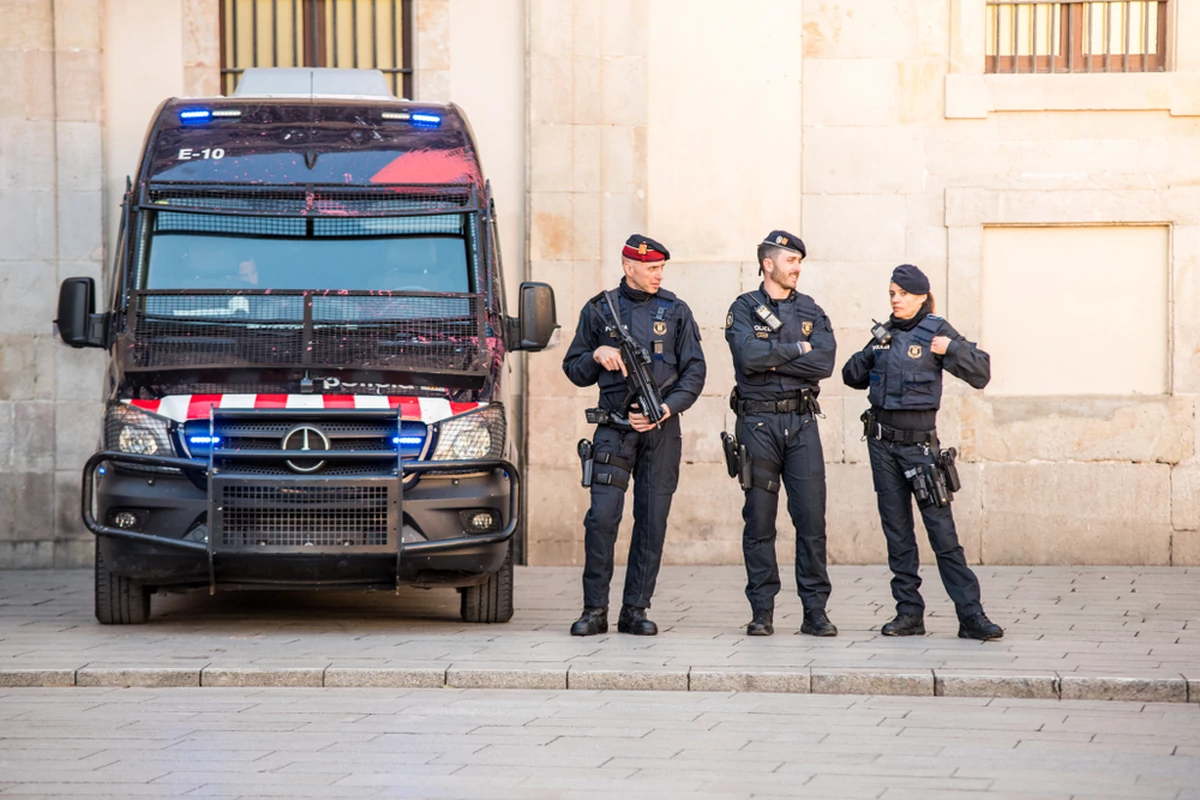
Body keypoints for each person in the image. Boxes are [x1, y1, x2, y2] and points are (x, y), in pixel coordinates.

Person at [841, 264, 1003, 641]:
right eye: (892, 293)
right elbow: (850, 376)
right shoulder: (883, 332)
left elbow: (981, 373)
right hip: (882, 446)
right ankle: (909, 614)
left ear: (920, 297)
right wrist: (871, 352)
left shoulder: (937, 331)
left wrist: (954, 349)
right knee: (897, 534)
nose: (895, 300)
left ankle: (971, 615)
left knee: (942, 534)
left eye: (901, 294)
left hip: (920, 449)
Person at [562, 234, 707, 636]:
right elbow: (573, 369)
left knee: (652, 522)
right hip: (613, 430)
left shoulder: (675, 311)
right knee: (602, 520)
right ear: (629, 267)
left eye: (661, 268)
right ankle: (594, 610)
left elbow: (695, 371)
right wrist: (596, 355)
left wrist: (664, 409)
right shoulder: (599, 310)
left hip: (661, 432)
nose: (658, 274)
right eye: (650, 268)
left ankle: (635, 609)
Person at [724, 230, 837, 637]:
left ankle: (815, 612)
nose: (797, 268)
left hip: (802, 423)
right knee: (759, 521)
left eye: (799, 262)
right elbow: (748, 356)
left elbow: (824, 363)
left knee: (811, 519)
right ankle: (762, 610)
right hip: (758, 425)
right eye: (791, 261)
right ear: (768, 263)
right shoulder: (743, 308)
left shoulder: (811, 310)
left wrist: (776, 358)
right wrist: (797, 351)